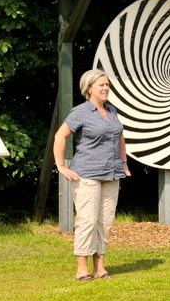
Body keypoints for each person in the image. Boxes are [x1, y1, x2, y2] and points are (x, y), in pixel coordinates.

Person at [53, 69, 130, 281]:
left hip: (112, 173)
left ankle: (100, 267)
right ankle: (82, 269)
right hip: (87, 174)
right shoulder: (80, 112)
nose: (106, 88)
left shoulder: (111, 110)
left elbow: (119, 137)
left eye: (107, 85)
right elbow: (60, 136)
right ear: (89, 88)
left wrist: (124, 164)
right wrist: (61, 165)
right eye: (101, 85)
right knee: (87, 220)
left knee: (105, 221)